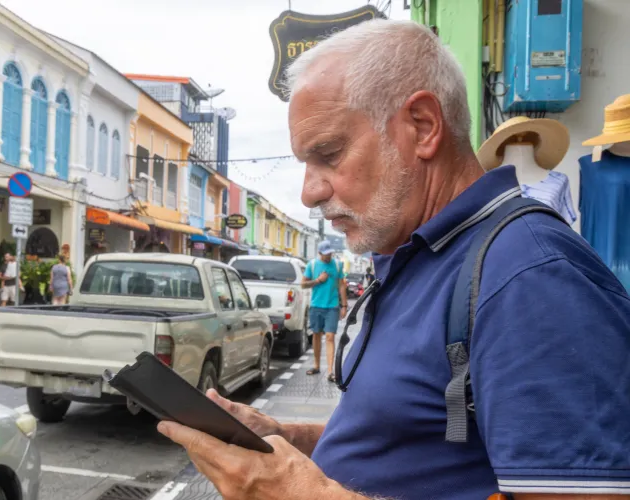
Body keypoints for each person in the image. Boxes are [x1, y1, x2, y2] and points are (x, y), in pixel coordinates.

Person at [156, 19, 630, 500]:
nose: (309, 192)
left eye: (329, 153)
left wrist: (292, 493)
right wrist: (285, 438)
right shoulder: (423, 256)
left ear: (422, 127)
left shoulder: (531, 276)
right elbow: (412, 443)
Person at [301, 240, 346, 382]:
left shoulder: (338, 265)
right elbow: (303, 284)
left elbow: (341, 286)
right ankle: (316, 365)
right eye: (326, 254)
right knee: (316, 335)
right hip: (316, 306)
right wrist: (318, 280)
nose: (329, 256)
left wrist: (344, 306)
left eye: (330, 253)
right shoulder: (312, 265)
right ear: (320, 253)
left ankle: (330, 371)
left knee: (330, 337)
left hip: (332, 307)